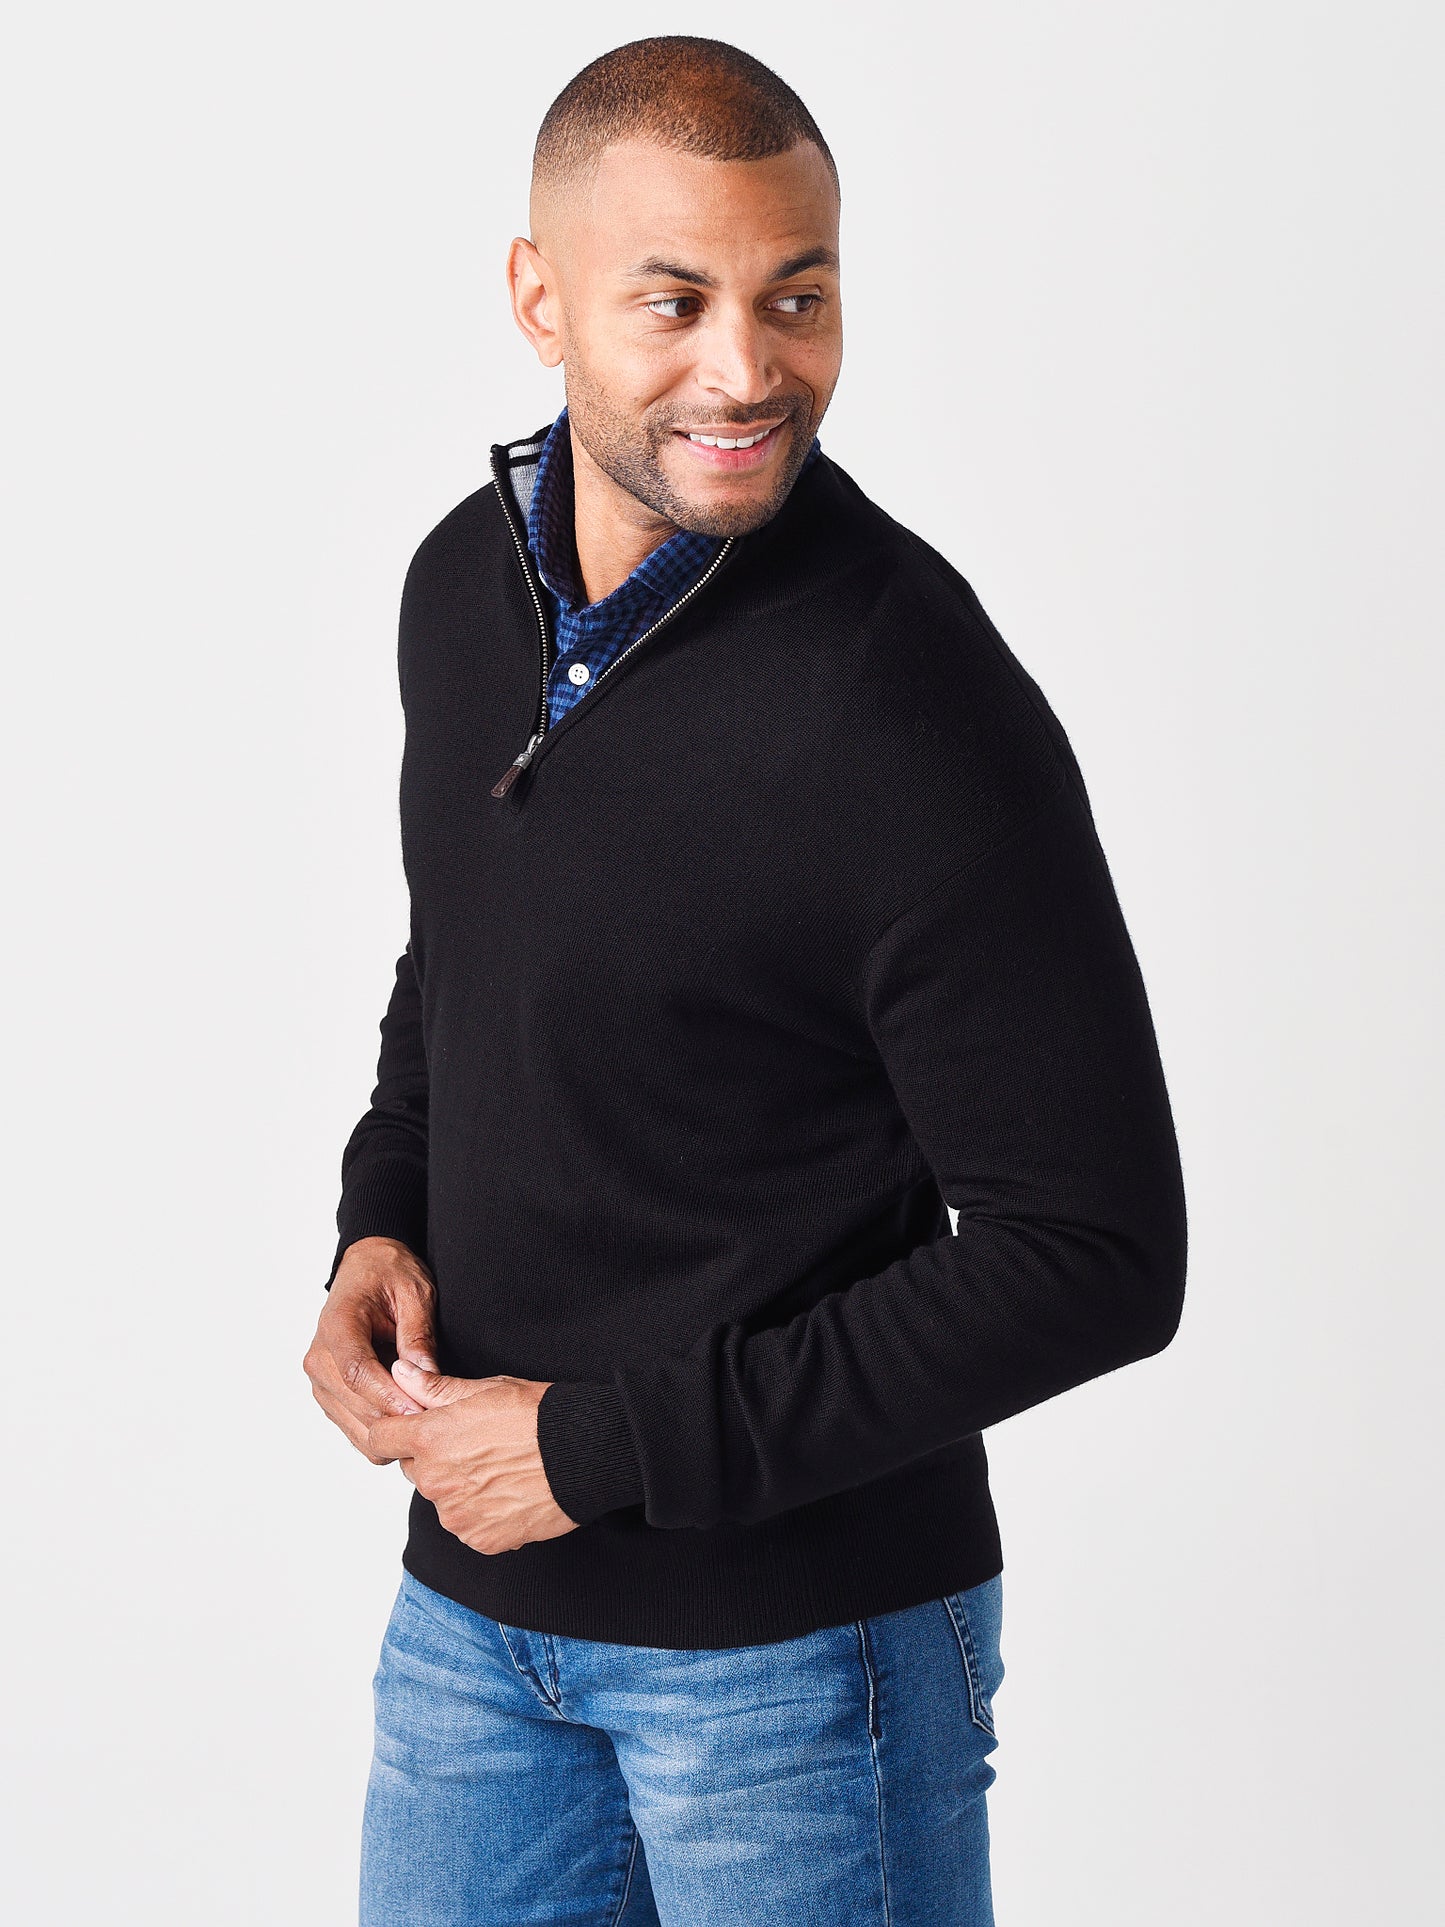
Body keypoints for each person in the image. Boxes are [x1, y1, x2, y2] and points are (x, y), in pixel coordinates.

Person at [303, 34, 1187, 1927]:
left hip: (800, 1670)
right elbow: (464, 957)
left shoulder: (911, 704)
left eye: (797, 296)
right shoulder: (461, 590)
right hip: (473, 1626)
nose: (748, 369)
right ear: (538, 297)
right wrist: (381, 1217)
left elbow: (1096, 1253)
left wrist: (597, 1447)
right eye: (674, 301)